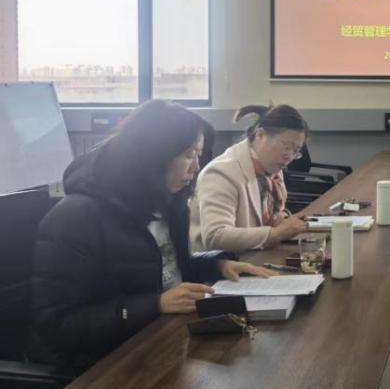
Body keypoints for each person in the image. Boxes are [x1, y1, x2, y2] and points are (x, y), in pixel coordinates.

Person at [30, 100, 272, 374]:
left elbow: (163, 270)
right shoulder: (75, 218)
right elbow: (57, 326)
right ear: (152, 156)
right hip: (105, 367)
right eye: (189, 155)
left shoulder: (168, 203)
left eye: (198, 155)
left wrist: (217, 264)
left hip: (165, 340)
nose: (196, 168)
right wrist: (155, 304)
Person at [192, 104, 310, 252]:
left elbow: (268, 217)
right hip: (223, 263)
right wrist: (276, 233)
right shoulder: (222, 172)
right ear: (260, 135)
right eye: (286, 147)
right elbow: (216, 236)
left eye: (295, 151)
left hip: (255, 255)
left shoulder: (270, 167)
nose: (289, 157)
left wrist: (282, 220)